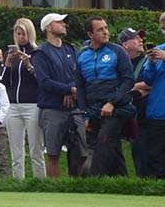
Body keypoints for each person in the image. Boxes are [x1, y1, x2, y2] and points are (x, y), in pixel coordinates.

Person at [75, 17, 135, 177]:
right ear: (90, 34)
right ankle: (123, 181)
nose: (106, 32)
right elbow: (80, 87)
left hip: (116, 108)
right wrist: (85, 114)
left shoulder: (117, 51)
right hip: (92, 110)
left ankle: (94, 181)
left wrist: (112, 102)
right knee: (112, 146)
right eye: (100, 29)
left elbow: (128, 80)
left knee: (104, 140)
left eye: (106, 28)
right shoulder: (82, 56)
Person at [33, 12, 87, 178]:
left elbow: (78, 75)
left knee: (81, 152)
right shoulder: (40, 52)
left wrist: (71, 89)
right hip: (52, 108)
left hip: (74, 108)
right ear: (48, 27)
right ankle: (55, 191)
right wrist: (68, 90)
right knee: (53, 154)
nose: (64, 24)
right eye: (60, 22)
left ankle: (77, 187)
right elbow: (44, 81)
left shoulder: (71, 48)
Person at [0, 18, 45, 179]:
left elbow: (41, 80)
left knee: (36, 148)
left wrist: (29, 65)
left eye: (23, 33)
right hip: (14, 106)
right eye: (18, 34)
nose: (20, 37)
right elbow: (4, 82)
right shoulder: (12, 54)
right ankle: (18, 182)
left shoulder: (38, 53)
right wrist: (7, 64)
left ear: (30, 33)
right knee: (16, 149)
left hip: (32, 105)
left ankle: (40, 182)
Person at [119, 27, 151, 177]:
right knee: (139, 155)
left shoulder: (148, 59)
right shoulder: (118, 63)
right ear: (125, 44)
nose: (141, 40)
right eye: (136, 38)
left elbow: (151, 83)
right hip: (132, 117)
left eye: (141, 38)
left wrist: (130, 86)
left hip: (149, 116)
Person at [141, 19, 165, 179]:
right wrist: (150, 62)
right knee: (156, 156)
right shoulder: (160, 49)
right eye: (163, 28)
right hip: (158, 111)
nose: (164, 32)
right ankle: (156, 191)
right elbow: (148, 80)